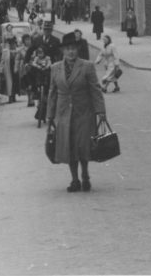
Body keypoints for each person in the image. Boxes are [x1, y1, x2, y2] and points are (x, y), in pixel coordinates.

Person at [46, 32, 107, 192]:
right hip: (64, 113)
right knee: (69, 146)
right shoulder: (55, 68)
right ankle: (74, 180)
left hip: (83, 112)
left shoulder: (87, 66)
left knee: (83, 146)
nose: (71, 52)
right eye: (68, 49)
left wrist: (100, 112)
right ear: (63, 51)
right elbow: (52, 92)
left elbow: (95, 90)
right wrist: (50, 116)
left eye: (73, 48)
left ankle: (85, 176)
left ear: (77, 49)